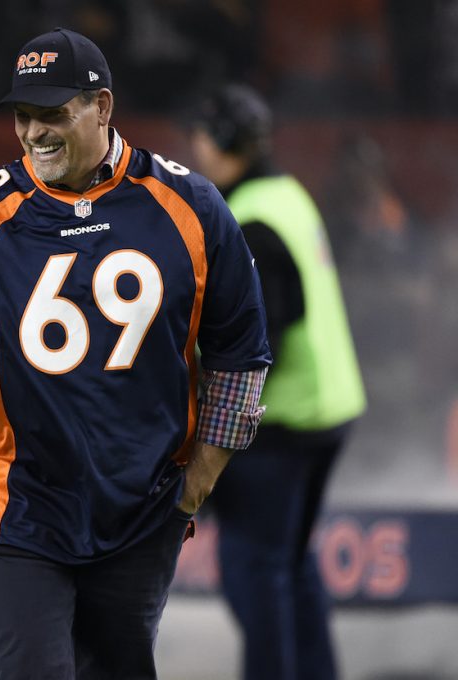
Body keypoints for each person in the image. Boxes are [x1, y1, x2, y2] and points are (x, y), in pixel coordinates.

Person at [0, 28, 272, 679]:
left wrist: (199, 482)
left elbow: (240, 350)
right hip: (18, 501)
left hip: (139, 503)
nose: (34, 132)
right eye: (24, 115)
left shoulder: (192, 205)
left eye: (53, 114)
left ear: (101, 108)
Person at [187, 84, 366, 680]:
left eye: (202, 137)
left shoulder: (249, 219)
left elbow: (263, 335)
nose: (194, 148)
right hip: (327, 412)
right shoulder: (285, 195)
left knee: (254, 574)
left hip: (281, 426)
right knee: (292, 564)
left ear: (221, 143)